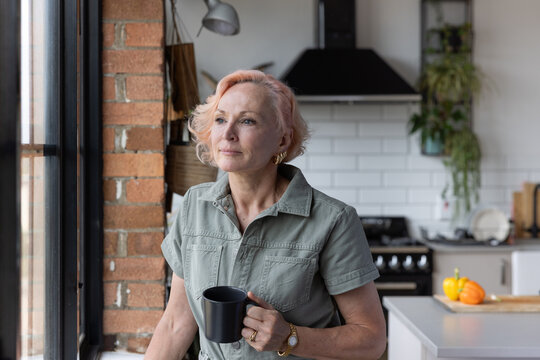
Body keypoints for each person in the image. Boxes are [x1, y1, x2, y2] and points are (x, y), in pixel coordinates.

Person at [145, 70, 386, 360]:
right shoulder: (195, 206)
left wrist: (291, 337)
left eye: (247, 120)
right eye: (220, 119)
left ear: (282, 140)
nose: (228, 133)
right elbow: (175, 325)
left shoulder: (333, 221)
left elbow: (371, 340)